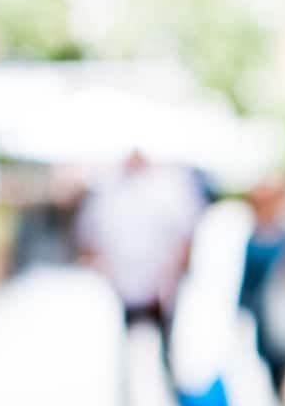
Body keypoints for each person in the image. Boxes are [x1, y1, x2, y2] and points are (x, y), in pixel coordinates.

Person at [75, 150, 206, 364]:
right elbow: (89, 239)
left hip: (160, 290)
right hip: (122, 288)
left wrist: (171, 278)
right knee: (124, 354)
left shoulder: (168, 190)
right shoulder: (108, 193)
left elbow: (186, 236)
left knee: (166, 354)